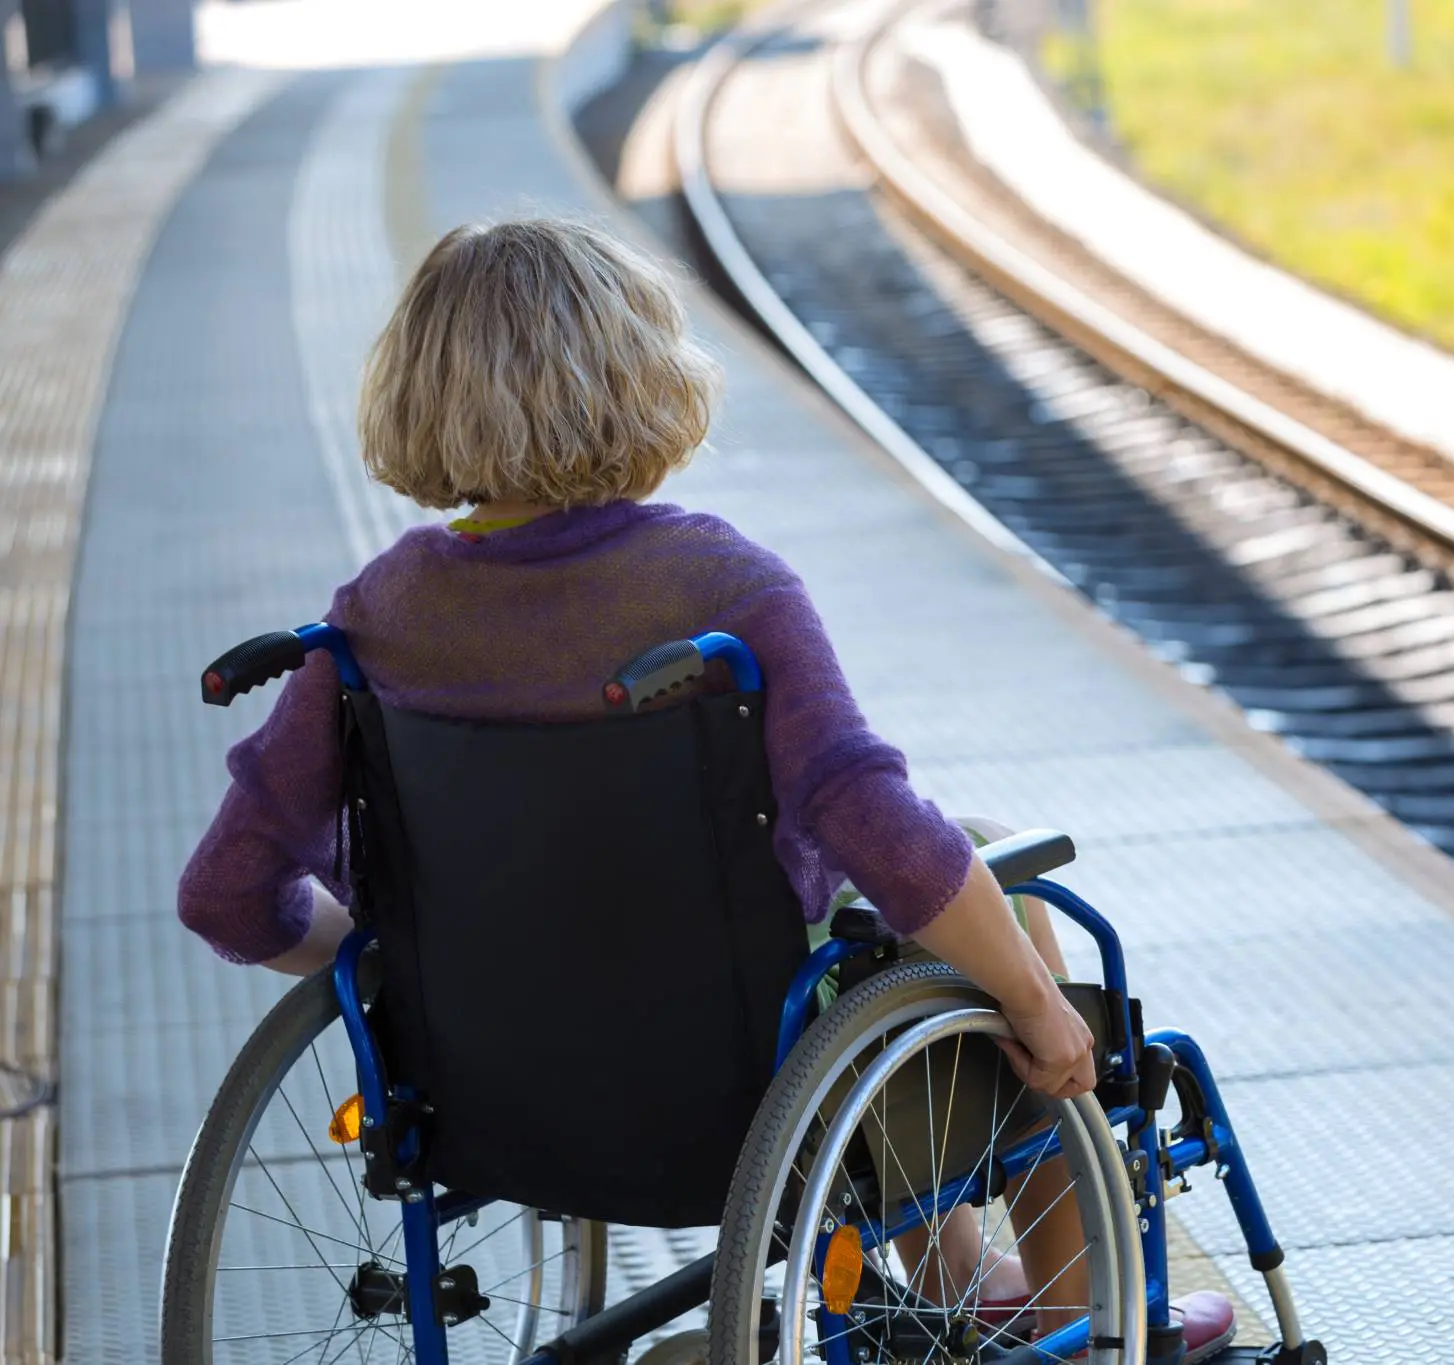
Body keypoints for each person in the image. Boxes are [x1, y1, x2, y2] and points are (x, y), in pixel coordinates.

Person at [175, 218, 1233, 1356]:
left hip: (490, 1102)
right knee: (1002, 886)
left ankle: (960, 1272)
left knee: (929, 893)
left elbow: (226, 898)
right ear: (641, 382)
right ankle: (1085, 1305)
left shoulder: (372, 620)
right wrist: (1031, 1003)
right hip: (743, 1107)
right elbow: (872, 824)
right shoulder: (721, 591)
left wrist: (383, 958)